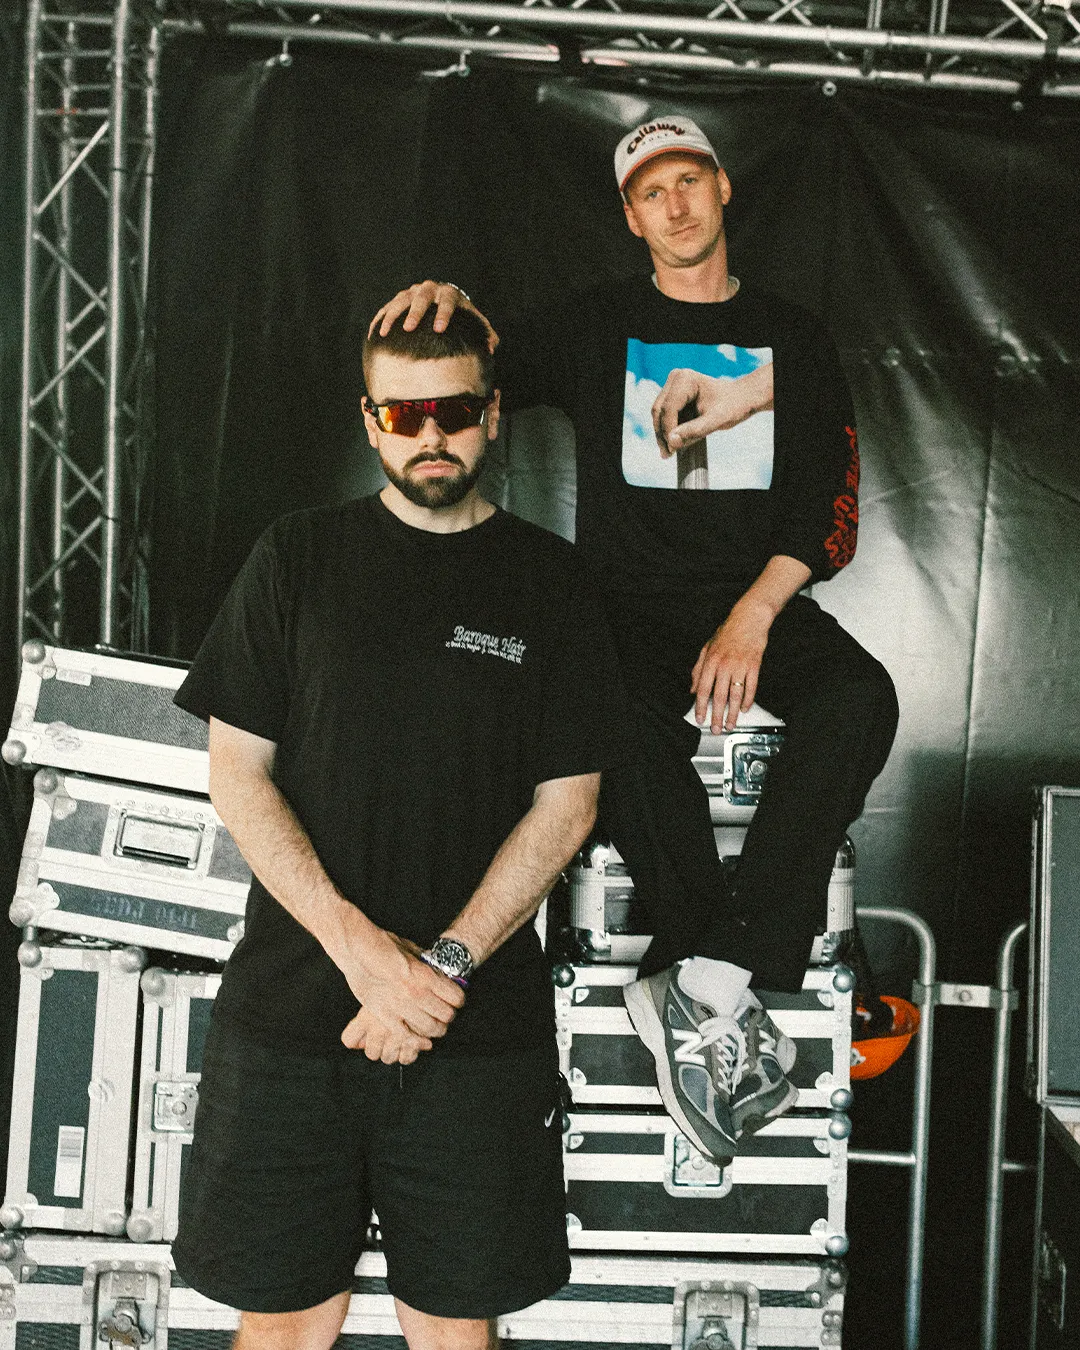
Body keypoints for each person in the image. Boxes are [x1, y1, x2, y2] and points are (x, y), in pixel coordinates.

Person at [371, 116, 899, 1167]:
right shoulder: (598, 324)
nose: (676, 205)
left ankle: (706, 974)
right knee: (607, 717)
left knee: (861, 699)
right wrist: (448, 300)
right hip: (622, 607)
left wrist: (753, 615)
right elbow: (474, 364)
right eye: (652, 191)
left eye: (690, 180)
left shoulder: (793, 336)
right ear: (630, 216)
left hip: (757, 597)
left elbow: (829, 509)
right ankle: (716, 959)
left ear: (723, 187)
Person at [170, 306, 620, 1350]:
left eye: (454, 410)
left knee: (458, 1335)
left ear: (493, 416)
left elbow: (569, 806)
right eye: (404, 413)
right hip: (292, 1023)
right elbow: (237, 776)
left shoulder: (550, 582)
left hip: (475, 1036)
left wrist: (439, 970)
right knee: (280, 1331)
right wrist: (363, 954)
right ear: (371, 422)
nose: (432, 435)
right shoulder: (296, 558)